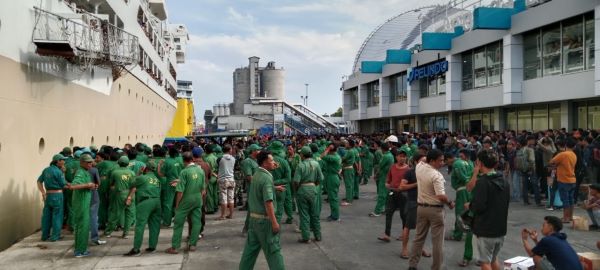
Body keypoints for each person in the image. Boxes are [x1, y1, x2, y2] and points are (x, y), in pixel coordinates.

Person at [408, 149, 455, 270]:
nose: (442, 163)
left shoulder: (419, 167)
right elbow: (441, 196)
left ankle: (412, 265)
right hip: (435, 211)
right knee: (438, 243)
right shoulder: (436, 175)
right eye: (440, 160)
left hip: (421, 208)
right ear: (432, 161)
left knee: (418, 238)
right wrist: (449, 202)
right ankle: (436, 267)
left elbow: (423, 159)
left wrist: (428, 157)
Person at [239, 150, 285, 270]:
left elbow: (261, 189)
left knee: (249, 252)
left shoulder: (257, 175)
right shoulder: (266, 178)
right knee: (274, 251)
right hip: (264, 222)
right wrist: (274, 222)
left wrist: (274, 188)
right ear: (265, 163)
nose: (274, 163)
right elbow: (268, 202)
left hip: (253, 220)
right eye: (272, 160)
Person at [466, 150, 510, 270]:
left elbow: (479, 207)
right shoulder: (504, 180)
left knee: (485, 262)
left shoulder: (483, 183)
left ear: (479, 163)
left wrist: (470, 206)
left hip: (485, 229)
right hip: (500, 228)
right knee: (493, 259)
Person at [166, 152, 206, 254]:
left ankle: (175, 247)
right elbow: (203, 189)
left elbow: (180, 191)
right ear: (192, 159)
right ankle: (193, 245)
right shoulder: (200, 170)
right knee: (197, 222)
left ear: (183, 161)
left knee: (178, 223)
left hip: (186, 200)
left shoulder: (184, 172)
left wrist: (177, 205)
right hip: (197, 198)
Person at [124, 160, 162, 256]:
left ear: (145, 168)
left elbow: (131, 184)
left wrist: (138, 173)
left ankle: (136, 249)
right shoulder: (157, 180)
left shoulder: (142, 178)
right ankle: (152, 247)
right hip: (157, 201)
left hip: (145, 202)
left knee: (140, 225)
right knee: (154, 226)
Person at [447, 149, 474, 267]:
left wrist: (468, 183)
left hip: (463, 190)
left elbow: (463, 177)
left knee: (461, 213)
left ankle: (458, 234)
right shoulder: (471, 163)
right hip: (470, 190)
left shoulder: (457, 164)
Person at [377, 148, 409, 242]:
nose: (402, 158)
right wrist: (387, 183)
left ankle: (404, 234)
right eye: (400, 156)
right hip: (392, 192)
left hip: (403, 194)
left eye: (404, 156)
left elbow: (411, 182)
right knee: (389, 213)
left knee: (404, 215)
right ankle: (387, 235)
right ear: (396, 157)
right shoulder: (393, 167)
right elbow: (388, 178)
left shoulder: (408, 169)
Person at [69, 154, 97, 257]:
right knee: (82, 226)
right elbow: (73, 186)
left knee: (84, 226)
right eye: (88, 162)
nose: (90, 164)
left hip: (84, 202)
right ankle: (79, 251)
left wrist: (91, 186)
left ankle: (82, 249)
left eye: (91, 162)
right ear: (82, 162)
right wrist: (87, 185)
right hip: (81, 203)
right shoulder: (80, 172)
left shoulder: (85, 171)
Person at [294, 146, 324, 243]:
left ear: (302, 155)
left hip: (302, 190)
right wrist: (314, 185)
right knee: (314, 214)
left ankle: (306, 237)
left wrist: (297, 190)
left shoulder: (300, 165)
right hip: (313, 189)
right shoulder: (316, 163)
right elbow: (320, 178)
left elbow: (296, 181)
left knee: (304, 215)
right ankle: (318, 235)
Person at [37, 154, 67, 242]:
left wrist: (43, 192)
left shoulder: (46, 170)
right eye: (62, 160)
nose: (64, 162)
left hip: (48, 196)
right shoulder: (58, 172)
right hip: (57, 196)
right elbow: (63, 184)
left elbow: (39, 181)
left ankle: (44, 236)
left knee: (46, 216)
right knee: (57, 216)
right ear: (58, 161)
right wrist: (64, 173)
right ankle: (55, 237)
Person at [104, 156, 136, 238]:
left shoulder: (115, 172)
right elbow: (134, 187)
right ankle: (125, 233)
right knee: (129, 214)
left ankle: (108, 232)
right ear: (128, 163)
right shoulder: (132, 173)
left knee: (115, 213)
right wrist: (129, 197)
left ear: (118, 163)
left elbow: (111, 184)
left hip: (119, 194)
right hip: (131, 194)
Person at [549, 138, 577, 223]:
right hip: (572, 180)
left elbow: (551, 162)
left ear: (565, 145)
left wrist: (556, 164)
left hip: (564, 180)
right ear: (574, 146)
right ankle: (570, 217)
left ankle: (565, 218)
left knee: (565, 200)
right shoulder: (573, 154)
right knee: (570, 199)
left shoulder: (563, 154)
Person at [268, 141, 291, 224]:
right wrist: (277, 182)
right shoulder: (284, 162)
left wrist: (271, 183)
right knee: (279, 210)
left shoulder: (266, 161)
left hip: (267, 188)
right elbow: (288, 178)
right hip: (280, 188)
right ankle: (275, 231)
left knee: (267, 210)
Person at [370, 143, 394, 217]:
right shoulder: (391, 155)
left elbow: (380, 166)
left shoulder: (386, 156)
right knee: (387, 194)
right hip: (389, 176)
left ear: (382, 149)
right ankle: (386, 209)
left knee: (382, 195)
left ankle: (378, 211)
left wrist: (376, 175)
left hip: (384, 177)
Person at [162, 147, 183, 227]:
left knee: (168, 203)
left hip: (170, 183)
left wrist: (160, 165)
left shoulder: (166, 161)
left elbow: (162, 174)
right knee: (178, 202)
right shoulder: (179, 161)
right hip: (179, 182)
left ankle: (167, 222)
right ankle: (178, 219)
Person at [321, 143, 342, 221]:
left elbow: (322, 156)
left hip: (332, 178)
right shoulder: (337, 156)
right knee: (333, 197)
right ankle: (333, 214)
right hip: (333, 176)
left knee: (333, 198)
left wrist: (328, 148)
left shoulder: (333, 157)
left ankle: (335, 216)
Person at [217, 144, 236, 220]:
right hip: (231, 179)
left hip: (223, 180)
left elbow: (218, 165)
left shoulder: (220, 158)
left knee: (223, 198)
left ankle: (223, 215)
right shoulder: (233, 158)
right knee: (231, 198)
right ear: (229, 150)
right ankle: (231, 215)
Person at [341, 140, 358, 206]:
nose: (345, 144)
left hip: (348, 169)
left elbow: (343, 159)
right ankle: (349, 197)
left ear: (350, 145)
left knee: (348, 185)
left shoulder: (350, 151)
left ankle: (348, 200)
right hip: (349, 169)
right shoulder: (351, 151)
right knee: (350, 184)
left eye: (347, 143)